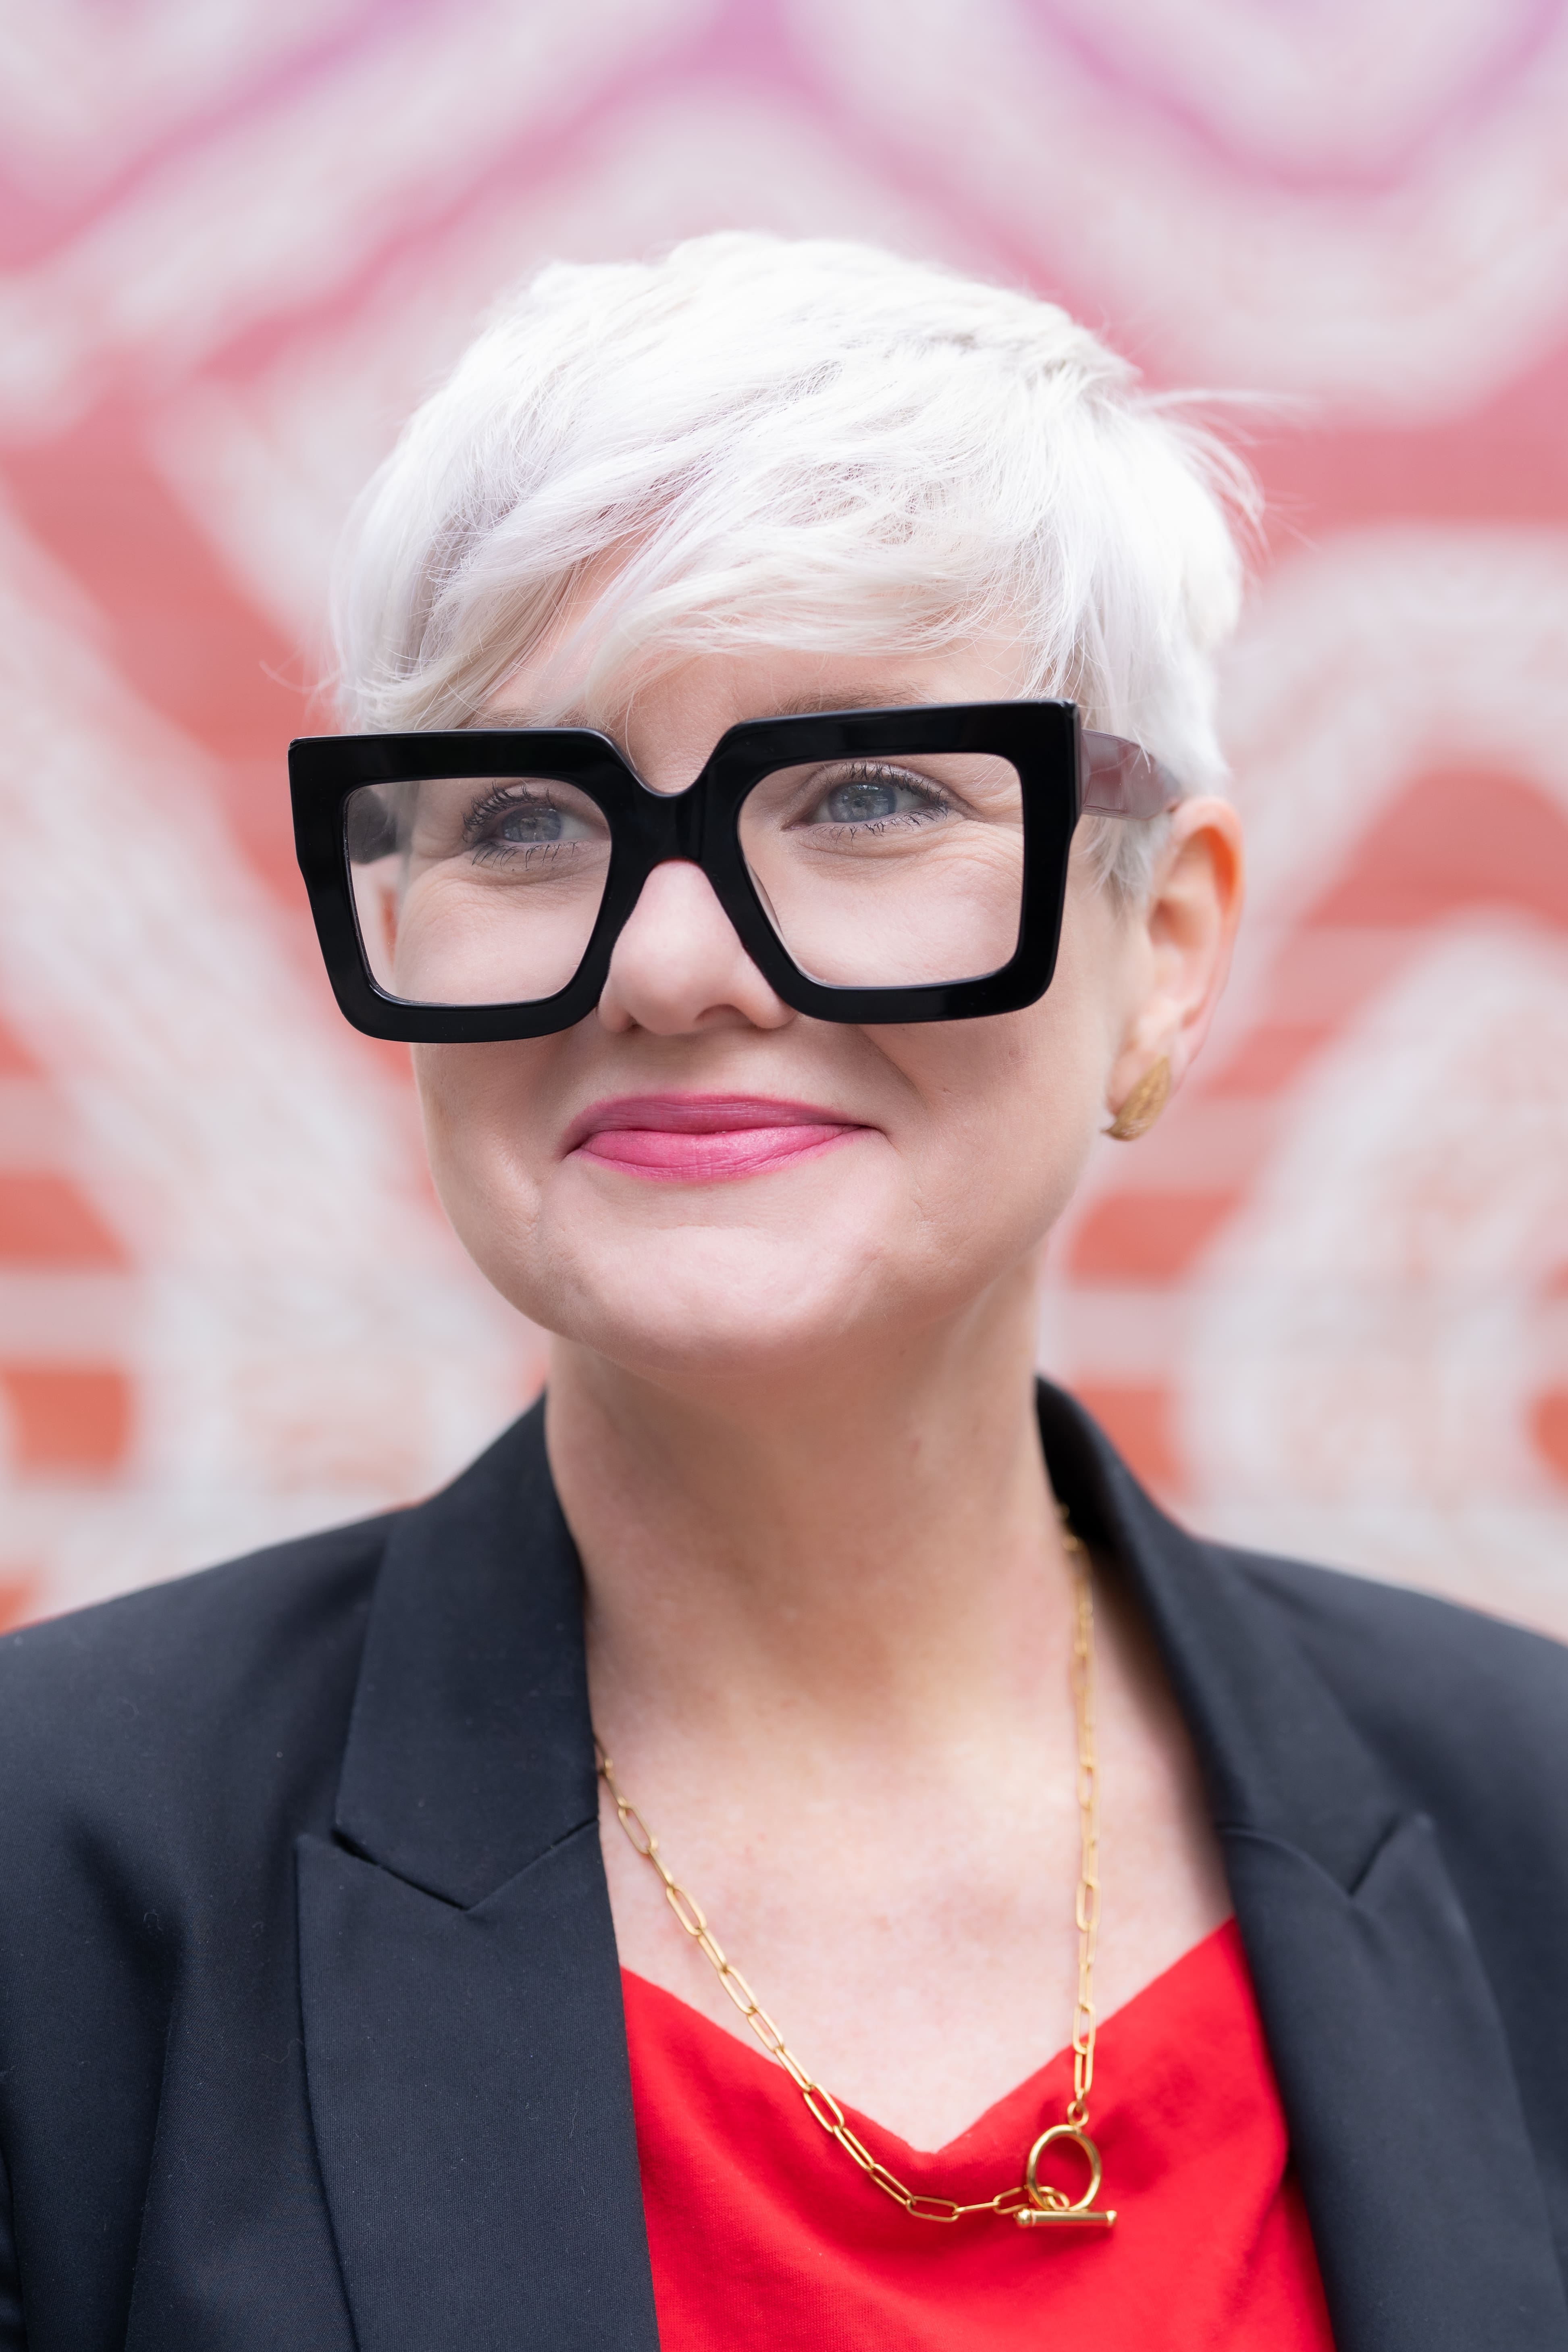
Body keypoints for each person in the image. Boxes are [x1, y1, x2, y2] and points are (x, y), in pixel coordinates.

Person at [0, 235, 1564, 2352]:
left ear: (1166, 948)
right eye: (520, 820)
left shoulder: (1535, 1822)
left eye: (867, 795)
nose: (668, 964)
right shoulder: (51, 1874)